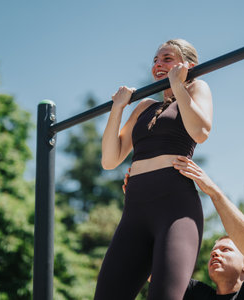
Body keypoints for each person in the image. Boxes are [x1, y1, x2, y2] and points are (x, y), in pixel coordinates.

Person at [94, 39, 213, 300]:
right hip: (135, 211)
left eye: (167, 59)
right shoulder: (144, 107)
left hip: (175, 208)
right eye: (156, 60)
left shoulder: (196, 89)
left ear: (186, 65)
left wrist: (178, 85)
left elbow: (201, 132)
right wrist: (118, 107)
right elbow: (110, 160)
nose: (159, 64)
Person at [173, 156, 244, 299]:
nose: (215, 254)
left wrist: (214, 193)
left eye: (226, 250)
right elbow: (149, 270)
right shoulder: (197, 294)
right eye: (213, 253)